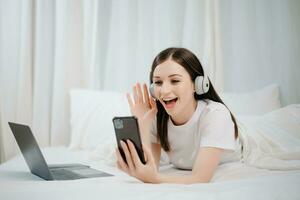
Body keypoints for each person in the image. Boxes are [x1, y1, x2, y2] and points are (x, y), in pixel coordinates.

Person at [115, 47, 239, 184]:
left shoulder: (215, 115)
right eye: (158, 82)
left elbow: (200, 178)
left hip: (249, 144)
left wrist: (155, 179)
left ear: (197, 85)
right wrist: (143, 123)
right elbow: (148, 167)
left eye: (175, 81)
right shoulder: (157, 117)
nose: (164, 91)